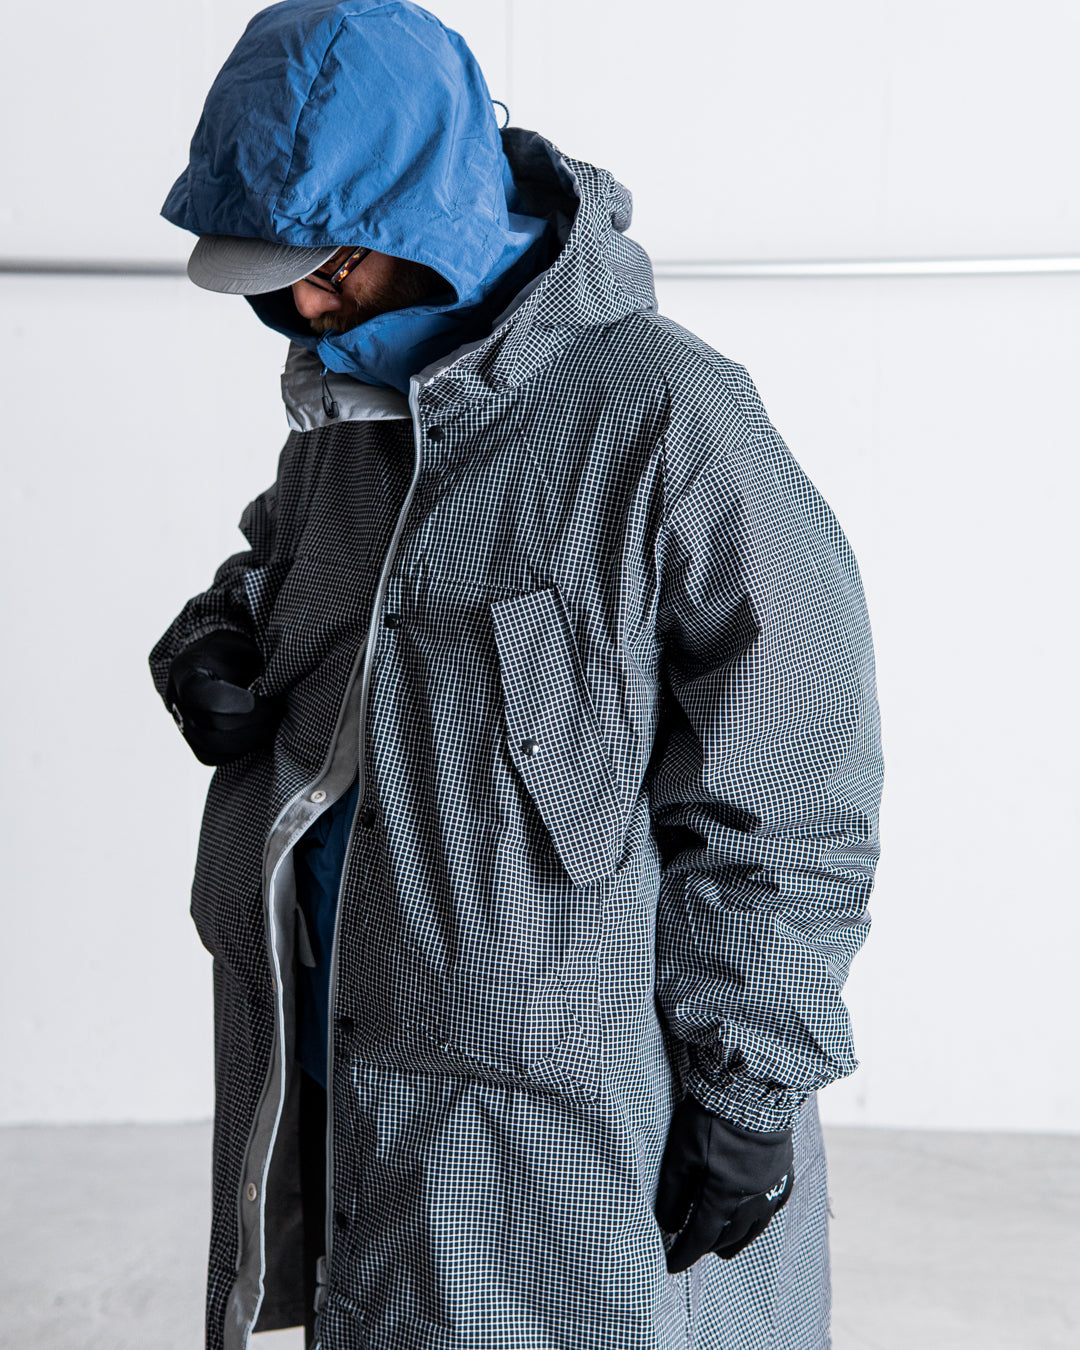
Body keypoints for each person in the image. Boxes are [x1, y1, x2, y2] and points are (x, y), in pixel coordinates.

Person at [150, 2, 884, 1348]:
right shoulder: (352, 413)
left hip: (574, 1106)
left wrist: (751, 1081)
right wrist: (215, 633)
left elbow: (794, 772)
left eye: (338, 263)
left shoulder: (667, 417)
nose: (304, 304)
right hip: (346, 1033)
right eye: (277, 273)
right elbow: (281, 564)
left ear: (434, 211)